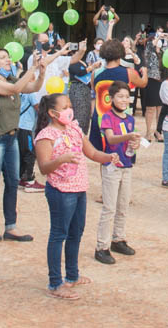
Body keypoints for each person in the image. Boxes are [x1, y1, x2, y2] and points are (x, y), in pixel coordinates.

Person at [34, 91, 118, 298]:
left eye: (70, 105)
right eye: (65, 107)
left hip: (79, 189)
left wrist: (109, 157)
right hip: (61, 191)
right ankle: (55, 282)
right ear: (53, 113)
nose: (69, 110)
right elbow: (44, 168)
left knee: (76, 233)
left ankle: (72, 275)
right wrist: (61, 159)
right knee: (58, 234)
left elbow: (91, 152)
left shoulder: (74, 129)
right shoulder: (46, 136)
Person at [0, 47, 43, 242]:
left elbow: (34, 87)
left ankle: (11, 227)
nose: (8, 60)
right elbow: (15, 90)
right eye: (3, 58)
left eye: (8, 57)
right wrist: (32, 67)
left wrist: (42, 71)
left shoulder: (13, 80)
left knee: (13, 182)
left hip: (11, 137)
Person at [94, 81, 140, 264]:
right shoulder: (107, 117)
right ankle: (101, 246)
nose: (124, 100)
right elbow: (111, 138)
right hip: (112, 167)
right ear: (111, 98)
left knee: (123, 206)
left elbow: (130, 143)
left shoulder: (130, 119)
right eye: (120, 96)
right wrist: (129, 137)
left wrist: (134, 144)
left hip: (127, 165)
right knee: (109, 207)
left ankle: (118, 239)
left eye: (126, 96)